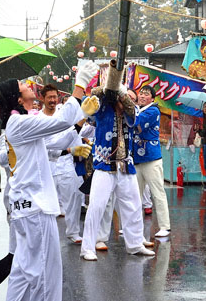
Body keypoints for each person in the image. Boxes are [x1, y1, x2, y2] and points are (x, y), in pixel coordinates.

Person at [2, 65, 98, 301]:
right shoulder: (19, 123)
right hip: (34, 206)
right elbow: (61, 122)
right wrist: (80, 84)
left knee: (23, 270)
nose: (26, 84)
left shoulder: (20, 122)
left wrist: (76, 127)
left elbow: (54, 141)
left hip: (25, 206)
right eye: (21, 85)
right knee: (46, 271)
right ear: (17, 98)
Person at [80, 70, 154, 261]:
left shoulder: (132, 111)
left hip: (125, 164)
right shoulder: (102, 108)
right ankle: (87, 247)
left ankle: (135, 244)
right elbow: (89, 106)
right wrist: (107, 88)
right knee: (96, 206)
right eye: (122, 96)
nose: (126, 100)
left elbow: (133, 114)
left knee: (133, 205)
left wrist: (122, 94)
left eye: (129, 97)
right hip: (104, 165)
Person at [41, 84, 86, 244]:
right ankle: (47, 234)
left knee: (73, 199)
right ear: (43, 98)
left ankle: (73, 232)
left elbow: (77, 131)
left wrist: (78, 148)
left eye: (55, 97)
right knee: (47, 203)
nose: (53, 100)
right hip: (48, 167)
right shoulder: (39, 119)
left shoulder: (64, 115)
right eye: (49, 98)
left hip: (66, 164)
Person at [133, 84, 171, 238]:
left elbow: (136, 124)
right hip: (137, 158)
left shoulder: (153, 110)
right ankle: (132, 226)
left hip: (151, 159)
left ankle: (165, 226)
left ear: (152, 98)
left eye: (146, 94)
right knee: (135, 195)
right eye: (141, 93)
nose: (142, 96)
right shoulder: (137, 110)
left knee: (157, 193)